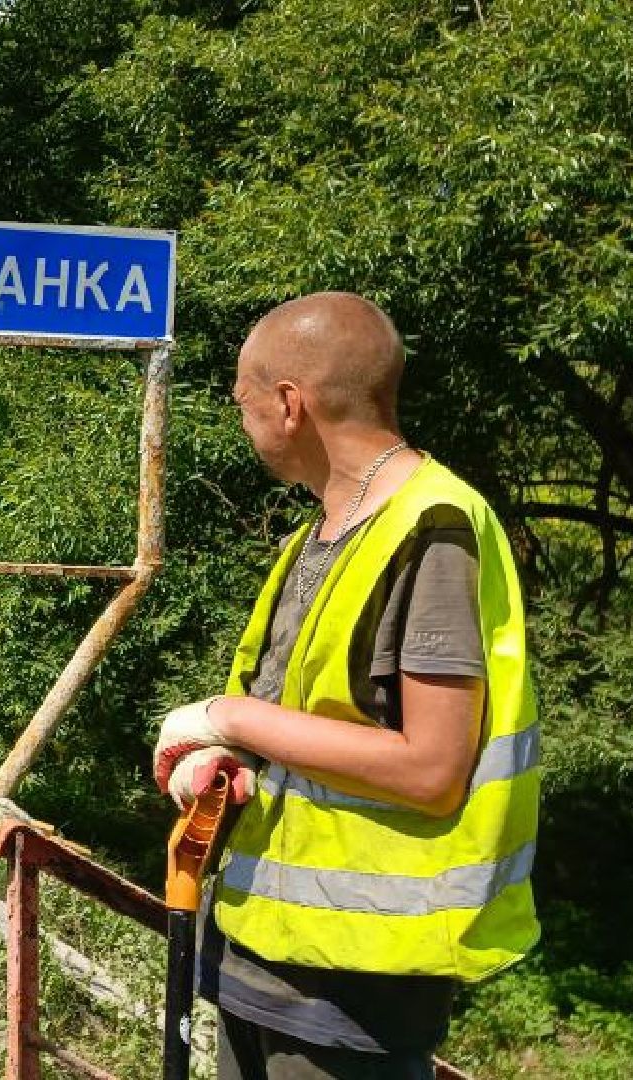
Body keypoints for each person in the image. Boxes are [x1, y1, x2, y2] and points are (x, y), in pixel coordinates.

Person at [154, 292, 539, 1080]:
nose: (245, 423)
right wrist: (224, 756)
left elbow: (429, 769)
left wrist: (225, 714)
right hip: (259, 953)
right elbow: (306, 732)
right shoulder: (317, 534)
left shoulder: (433, 529)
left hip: (352, 989)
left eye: (245, 403)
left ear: (291, 404)